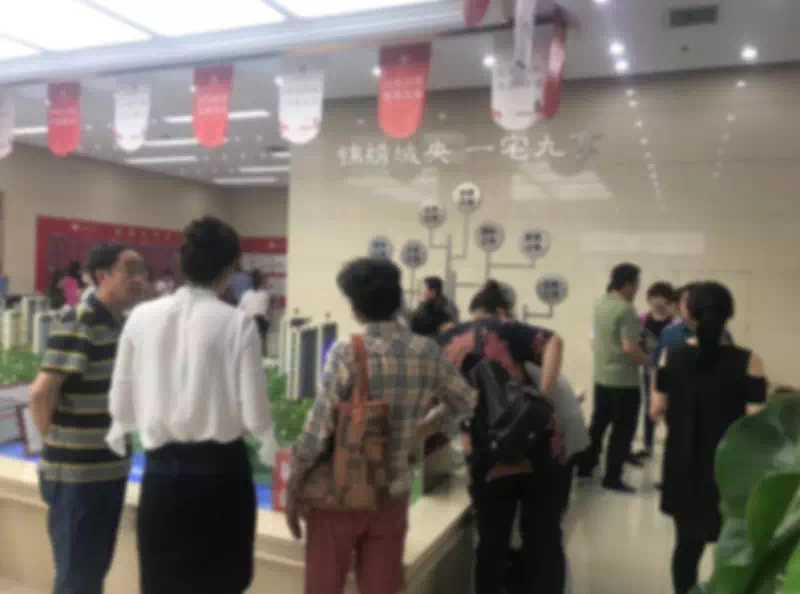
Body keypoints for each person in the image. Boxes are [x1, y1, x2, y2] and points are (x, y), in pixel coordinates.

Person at [285, 257, 476, 594]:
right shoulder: (426, 350)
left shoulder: (347, 351)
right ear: (397, 300)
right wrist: (426, 427)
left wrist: (294, 482)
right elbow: (466, 401)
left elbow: (318, 428)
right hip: (393, 495)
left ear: (356, 307)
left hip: (338, 495)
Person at [106, 216, 273, 594]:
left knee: (163, 581)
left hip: (161, 474)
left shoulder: (140, 318)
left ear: (183, 262)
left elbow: (121, 394)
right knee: (221, 580)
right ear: (229, 268)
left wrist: (120, 427)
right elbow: (255, 411)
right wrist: (266, 438)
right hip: (222, 474)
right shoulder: (237, 324)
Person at [415, 280, 566, 594]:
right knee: (544, 537)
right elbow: (554, 341)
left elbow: (439, 405)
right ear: (500, 309)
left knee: (492, 540)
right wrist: (543, 396)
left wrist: (414, 431)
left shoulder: (443, 343)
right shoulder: (507, 327)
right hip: (538, 447)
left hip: (487, 456)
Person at [28, 242, 146, 594]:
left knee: (92, 573)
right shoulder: (81, 321)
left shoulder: (119, 324)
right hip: (77, 476)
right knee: (76, 577)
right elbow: (41, 393)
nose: (139, 279)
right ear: (101, 275)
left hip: (108, 470)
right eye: (130, 271)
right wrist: (55, 446)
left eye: (141, 271)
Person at [651, 282, 766, 594]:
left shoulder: (671, 356)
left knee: (686, 546)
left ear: (688, 313)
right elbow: (756, 419)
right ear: (729, 314)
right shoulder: (749, 360)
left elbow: (656, 409)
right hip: (730, 469)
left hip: (682, 463)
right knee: (731, 546)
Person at [579, 263, 651, 493]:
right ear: (628, 284)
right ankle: (612, 477)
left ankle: (585, 467)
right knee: (622, 431)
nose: (636, 291)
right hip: (624, 382)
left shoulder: (600, 303)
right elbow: (630, 348)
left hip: (601, 378)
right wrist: (650, 361)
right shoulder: (626, 310)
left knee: (598, 425)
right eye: (636, 285)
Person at [633, 281, 675, 460]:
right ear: (649, 299)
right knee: (650, 407)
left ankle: (673, 446)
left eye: (662, 297)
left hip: (671, 372)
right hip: (649, 370)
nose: (658, 301)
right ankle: (648, 446)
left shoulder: (675, 322)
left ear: (669, 300)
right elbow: (639, 345)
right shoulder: (642, 320)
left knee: (672, 409)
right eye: (654, 297)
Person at [239, 269, 271, 356]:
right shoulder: (265, 294)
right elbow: (267, 310)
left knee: (248, 346)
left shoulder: (246, 294)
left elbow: (240, 310)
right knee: (261, 344)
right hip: (261, 322)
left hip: (250, 321)